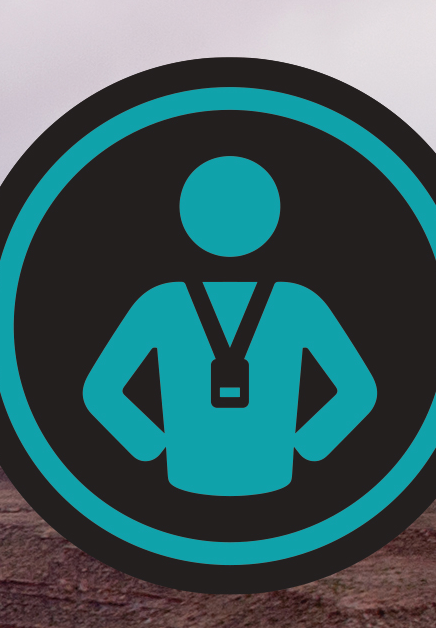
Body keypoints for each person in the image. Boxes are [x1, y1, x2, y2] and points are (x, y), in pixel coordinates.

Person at [82, 155, 373, 497]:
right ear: (270, 217)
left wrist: (152, 447)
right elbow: (359, 391)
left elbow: (100, 390)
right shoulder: (299, 302)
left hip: (188, 471)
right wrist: (307, 446)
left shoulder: (161, 303)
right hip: (271, 471)